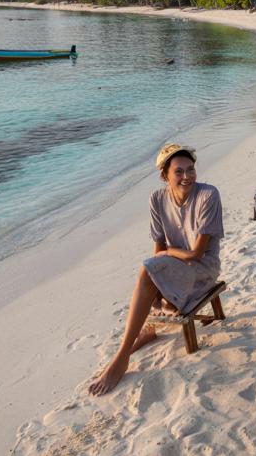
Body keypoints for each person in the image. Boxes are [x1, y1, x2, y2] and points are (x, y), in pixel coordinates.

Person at [89, 144, 224, 396]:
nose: (187, 176)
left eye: (191, 169)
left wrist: (167, 254)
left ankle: (122, 357)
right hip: (175, 267)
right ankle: (145, 333)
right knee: (148, 270)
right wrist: (160, 282)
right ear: (165, 176)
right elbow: (158, 250)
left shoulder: (208, 195)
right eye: (179, 171)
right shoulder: (157, 199)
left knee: (147, 269)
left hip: (203, 268)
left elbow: (196, 253)